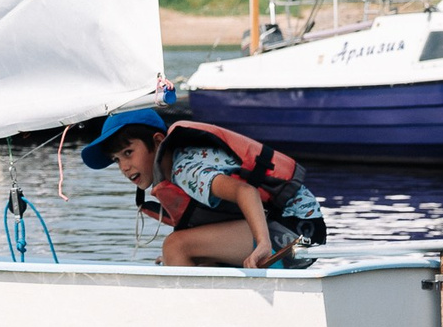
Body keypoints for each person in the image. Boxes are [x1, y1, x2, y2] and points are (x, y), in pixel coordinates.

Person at [80, 109, 327, 269]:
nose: (124, 166)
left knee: (176, 245)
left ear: (157, 142)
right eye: (117, 159)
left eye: (128, 153)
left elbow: (245, 191)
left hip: (298, 236)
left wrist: (263, 244)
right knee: (182, 254)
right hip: (296, 234)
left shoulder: (184, 169)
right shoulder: (176, 169)